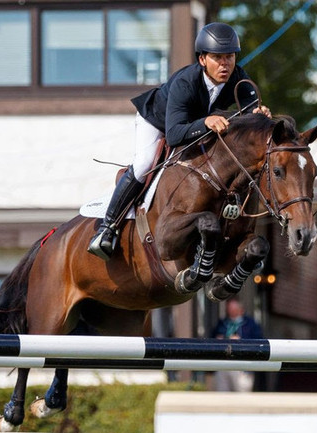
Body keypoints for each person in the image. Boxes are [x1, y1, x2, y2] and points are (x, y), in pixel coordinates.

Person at [88, 22, 272, 260]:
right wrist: (205, 122)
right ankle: (108, 228)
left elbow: (248, 119)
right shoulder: (185, 82)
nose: (225, 64)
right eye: (217, 57)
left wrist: (257, 117)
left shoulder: (240, 79)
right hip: (157, 121)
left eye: (229, 57)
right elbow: (174, 135)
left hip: (193, 124)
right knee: (144, 163)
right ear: (203, 59)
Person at [210, 298, 263, 392]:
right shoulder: (222, 323)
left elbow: (258, 342)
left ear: (241, 310)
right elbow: (212, 339)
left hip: (242, 366)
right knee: (222, 395)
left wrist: (241, 341)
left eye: (234, 309)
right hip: (223, 365)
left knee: (242, 396)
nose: (231, 311)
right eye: (230, 308)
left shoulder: (250, 324)